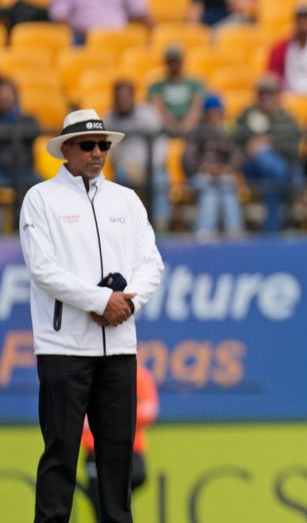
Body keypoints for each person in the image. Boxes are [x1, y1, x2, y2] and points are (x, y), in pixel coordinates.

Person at [19, 109, 164, 523]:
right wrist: (103, 301)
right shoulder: (40, 199)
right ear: (65, 150)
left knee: (117, 460)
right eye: (88, 145)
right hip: (64, 347)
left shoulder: (126, 199)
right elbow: (42, 270)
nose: (98, 152)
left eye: (103, 144)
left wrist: (128, 303)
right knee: (60, 456)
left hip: (119, 347)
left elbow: (151, 264)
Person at [81, 363, 158, 523]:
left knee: (135, 478)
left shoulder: (138, 374)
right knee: (100, 506)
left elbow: (149, 411)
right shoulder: (84, 375)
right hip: (95, 451)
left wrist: (112, 418)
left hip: (130, 448)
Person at [233, 75, 301, 232]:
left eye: (270, 93)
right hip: (252, 168)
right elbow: (235, 140)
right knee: (263, 158)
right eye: (262, 93)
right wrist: (250, 146)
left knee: (272, 184)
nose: (266, 98)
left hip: (280, 167)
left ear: (278, 95)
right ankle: (287, 185)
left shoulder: (287, 119)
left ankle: (271, 232)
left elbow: (294, 150)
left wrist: (269, 143)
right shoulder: (247, 115)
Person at [105, 79, 170, 232]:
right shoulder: (109, 118)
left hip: (152, 166)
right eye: (119, 97)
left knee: (161, 180)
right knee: (120, 177)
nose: (123, 100)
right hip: (126, 167)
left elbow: (162, 143)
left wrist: (151, 167)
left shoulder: (148, 114)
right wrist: (128, 166)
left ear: (133, 96)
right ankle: (124, 226)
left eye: (126, 96)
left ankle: (161, 227)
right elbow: (108, 150)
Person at [183, 94, 244, 239]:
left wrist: (226, 169)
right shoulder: (197, 133)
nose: (214, 115)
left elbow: (238, 157)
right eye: (211, 112)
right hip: (201, 176)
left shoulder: (228, 132)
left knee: (227, 186)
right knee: (210, 190)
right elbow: (187, 161)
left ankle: (233, 230)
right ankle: (205, 232)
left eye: (217, 111)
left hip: (223, 176)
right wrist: (205, 168)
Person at [49, 0, 151, 44]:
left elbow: (140, 11)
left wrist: (154, 35)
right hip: (83, 38)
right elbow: (60, 17)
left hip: (118, 36)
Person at [148, 44, 206, 137]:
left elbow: (196, 107)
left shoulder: (195, 83)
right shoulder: (156, 85)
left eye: (176, 61)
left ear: (182, 61)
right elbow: (158, 109)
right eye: (171, 61)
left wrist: (186, 127)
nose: (174, 65)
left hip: (191, 130)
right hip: (164, 130)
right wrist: (172, 127)